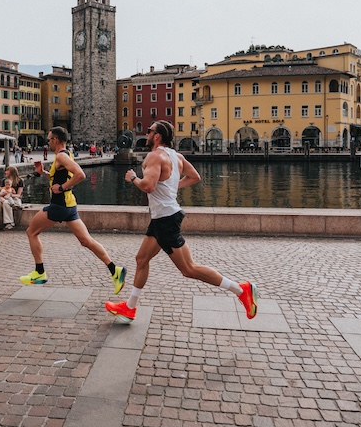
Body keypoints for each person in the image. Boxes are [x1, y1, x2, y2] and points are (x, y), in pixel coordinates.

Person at [105, 120, 258, 323]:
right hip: (163, 216)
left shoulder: (154, 156)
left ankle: (241, 289)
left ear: (157, 136)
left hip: (165, 219)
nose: (147, 133)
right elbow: (195, 177)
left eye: (150, 131)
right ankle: (130, 307)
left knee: (189, 269)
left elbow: (148, 186)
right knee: (141, 259)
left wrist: (133, 178)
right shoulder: (176, 156)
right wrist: (171, 188)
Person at [21, 126, 126, 293]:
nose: (48, 142)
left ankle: (39, 272)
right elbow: (61, 176)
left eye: (49, 139)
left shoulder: (62, 156)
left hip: (59, 204)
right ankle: (115, 270)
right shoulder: (67, 154)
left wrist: (62, 188)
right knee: (86, 241)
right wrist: (44, 173)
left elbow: (80, 174)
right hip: (69, 205)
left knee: (31, 232)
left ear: (55, 140)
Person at [0, 165, 24, 230]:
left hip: (14, 199)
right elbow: (0, 193)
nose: (5, 172)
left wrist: (10, 195)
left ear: (11, 172)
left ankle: (9, 223)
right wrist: (1, 198)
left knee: (6, 203)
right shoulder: (4, 181)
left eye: (7, 171)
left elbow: (18, 195)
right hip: (3, 198)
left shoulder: (20, 181)